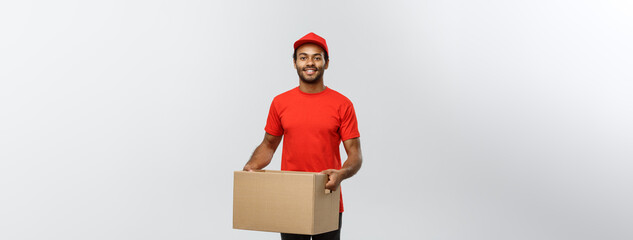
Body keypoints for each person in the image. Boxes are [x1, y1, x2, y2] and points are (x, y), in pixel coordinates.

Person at [242, 32, 363, 240]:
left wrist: (341, 174)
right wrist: (251, 166)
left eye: (317, 57)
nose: (310, 62)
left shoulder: (343, 105)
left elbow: (355, 154)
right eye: (303, 57)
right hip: (291, 196)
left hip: (327, 196)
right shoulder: (280, 103)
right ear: (295, 62)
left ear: (326, 64)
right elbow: (269, 145)